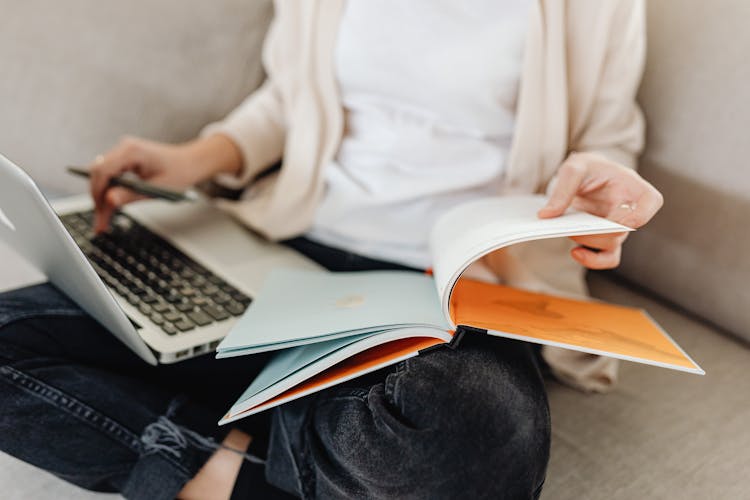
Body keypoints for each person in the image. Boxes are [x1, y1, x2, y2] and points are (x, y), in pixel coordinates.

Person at [0, 1, 661, 499]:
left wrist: (603, 194)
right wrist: (191, 159)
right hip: (287, 250)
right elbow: (292, 100)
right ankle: (245, 465)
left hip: (450, 287)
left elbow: (608, 138)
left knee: (484, 428)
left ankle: (243, 448)